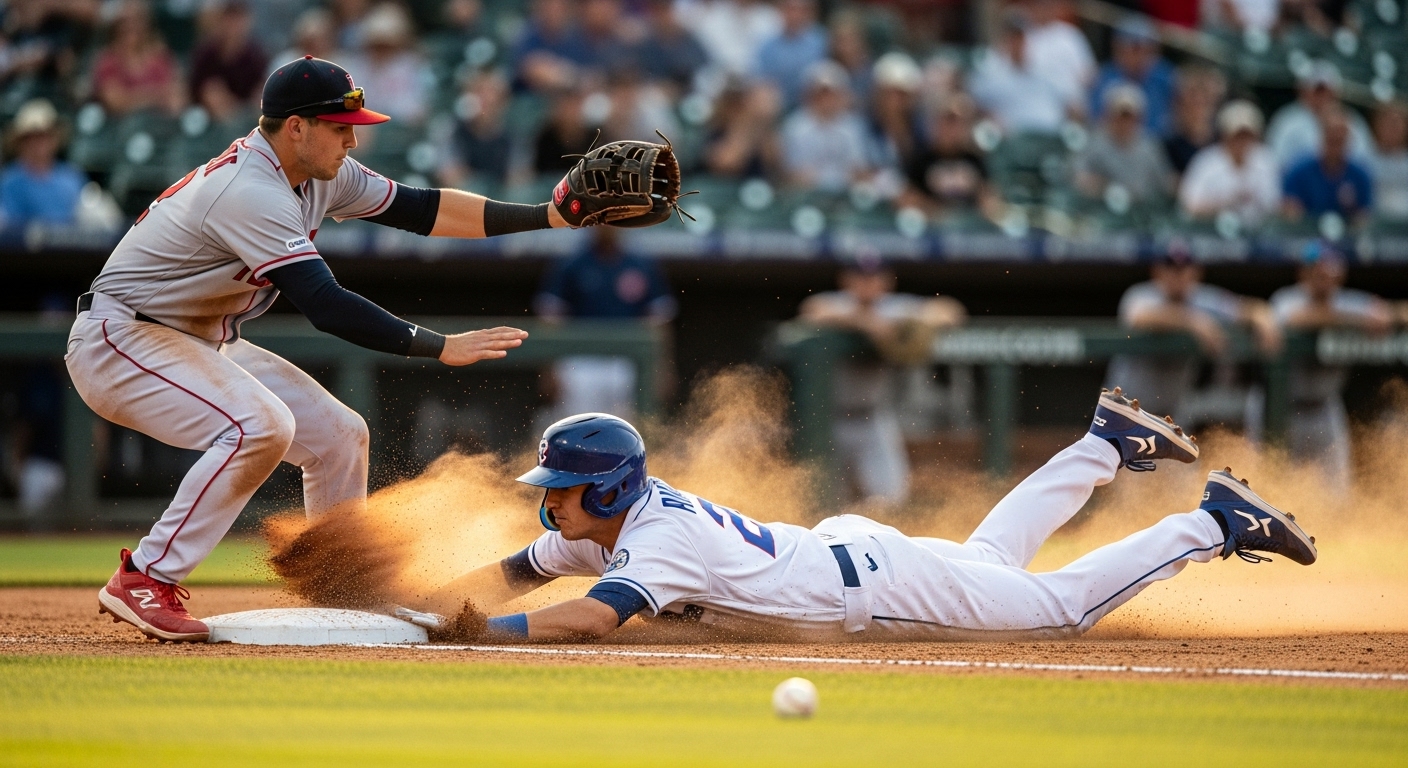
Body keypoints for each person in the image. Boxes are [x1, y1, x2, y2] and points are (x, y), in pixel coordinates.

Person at [74, 55, 672, 643]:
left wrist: (547, 216)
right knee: (260, 426)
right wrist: (437, 345)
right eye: (340, 129)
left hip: (198, 340)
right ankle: (147, 576)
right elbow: (324, 302)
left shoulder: (311, 172)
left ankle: (342, 594)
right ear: (297, 127)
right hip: (124, 338)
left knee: (340, 435)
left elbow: (423, 209)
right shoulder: (249, 189)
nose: (351, 143)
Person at [415, 401, 1317, 642]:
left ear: (607, 492)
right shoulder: (596, 527)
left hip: (876, 585)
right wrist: (422, 603)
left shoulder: (657, 538)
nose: (549, 501)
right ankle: (1104, 445)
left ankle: (1211, 524)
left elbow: (588, 617)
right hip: (848, 552)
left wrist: (481, 636)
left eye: (563, 489)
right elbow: (518, 571)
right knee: (989, 559)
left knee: (1056, 607)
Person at [798, 259, 964, 505]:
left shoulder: (894, 308)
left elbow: (950, 311)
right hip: (827, 421)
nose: (868, 284)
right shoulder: (835, 303)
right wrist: (866, 323)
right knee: (825, 503)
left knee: (890, 500)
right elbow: (813, 310)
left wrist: (917, 323)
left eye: (874, 277)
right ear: (846, 281)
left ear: (887, 281)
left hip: (872, 418)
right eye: (860, 277)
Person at [1270, 242, 1395, 488]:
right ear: (1303, 273)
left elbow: (1386, 315)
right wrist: (1355, 320)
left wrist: (1381, 315)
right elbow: (1296, 319)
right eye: (1316, 271)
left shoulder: (1348, 301)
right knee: (1274, 493)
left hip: (1325, 410)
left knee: (1337, 497)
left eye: (1329, 272)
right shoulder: (1287, 298)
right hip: (1281, 409)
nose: (1323, 278)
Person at [1105, 249, 1281, 419]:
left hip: (1169, 414)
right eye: (1171, 269)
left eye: (1183, 269)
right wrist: (1193, 320)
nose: (1177, 276)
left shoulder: (1202, 299)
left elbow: (1249, 308)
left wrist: (1263, 317)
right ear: (1157, 272)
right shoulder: (1141, 295)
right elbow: (1140, 318)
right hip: (1125, 411)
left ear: (1196, 273)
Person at [534, 227, 676, 419]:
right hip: (581, 364)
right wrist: (549, 369)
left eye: (613, 221)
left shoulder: (641, 265)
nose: (607, 227)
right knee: (579, 428)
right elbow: (551, 320)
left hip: (628, 363)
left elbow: (659, 323)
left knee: (629, 431)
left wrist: (662, 368)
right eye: (601, 221)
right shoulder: (572, 263)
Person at [1179, 100, 1280, 227]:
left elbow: (1274, 205)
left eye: (1247, 136)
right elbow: (1189, 206)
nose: (1242, 142)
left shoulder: (1266, 160)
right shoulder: (1206, 162)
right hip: (1209, 233)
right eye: (1237, 136)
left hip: (1256, 235)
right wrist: (1227, 202)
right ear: (1225, 135)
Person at [968, 12, 1071, 135]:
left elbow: (1068, 102)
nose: (1017, 43)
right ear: (1004, 40)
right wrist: (990, 118)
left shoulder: (1045, 70)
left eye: (1020, 37)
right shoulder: (992, 72)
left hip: (1051, 136)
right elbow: (973, 104)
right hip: (1015, 139)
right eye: (1012, 38)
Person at [1073, 83, 1176, 205]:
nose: (1125, 122)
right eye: (1121, 116)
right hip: (1101, 207)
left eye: (1130, 117)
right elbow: (1078, 175)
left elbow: (1165, 182)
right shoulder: (1094, 142)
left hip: (1141, 211)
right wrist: (1102, 185)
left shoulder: (1149, 147)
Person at [779, 61, 872, 193]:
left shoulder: (853, 126)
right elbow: (796, 175)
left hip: (846, 193)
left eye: (832, 94)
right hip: (807, 194)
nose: (827, 100)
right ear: (809, 95)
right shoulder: (795, 127)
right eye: (821, 94)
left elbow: (859, 171)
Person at [1264, 61, 1372, 170]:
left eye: (1326, 90)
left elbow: (1363, 161)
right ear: (1303, 91)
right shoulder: (1287, 121)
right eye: (1317, 90)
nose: (1322, 96)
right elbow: (1274, 161)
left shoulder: (1352, 121)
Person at [0, 98, 87, 229]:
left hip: (69, 248)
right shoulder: (8, 181)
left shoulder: (71, 177)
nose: (38, 144)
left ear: (54, 139)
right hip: (19, 249)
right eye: (31, 138)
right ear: (20, 143)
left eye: (43, 136)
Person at [1281, 108, 1374, 228]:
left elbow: (1364, 216)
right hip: (1307, 237)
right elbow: (1290, 210)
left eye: (1340, 141)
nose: (1335, 147)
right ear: (1322, 137)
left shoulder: (1360, 176)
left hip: (1346, 241)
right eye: (1331, 140)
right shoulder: (1299, 171)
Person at [90, 0, 184, 117]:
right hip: (117, 129)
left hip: (159, 126)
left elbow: (177, 102)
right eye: (125, 21)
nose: (131, 26)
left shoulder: (161, 57)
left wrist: (131, 97)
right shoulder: (108, 60)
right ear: (116, 25)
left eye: (137, 20)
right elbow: (115, 103)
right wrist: (157, 96)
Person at [1089, 17, 1176, 137]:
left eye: (1146, 49)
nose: (1139, 56)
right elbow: (1095, 118)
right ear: (1118, 49)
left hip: (1155, 145)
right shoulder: (1106, 77)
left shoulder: (1165, 77)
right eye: (1134, 49)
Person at [188, 1, 268, 123]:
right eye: (229, 19)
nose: (233, 26)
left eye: (238, 20)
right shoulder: (207, 52)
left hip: (246, 112)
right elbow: (197, 88)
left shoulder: (255, 55)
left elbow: (260, 88)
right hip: (207, 116)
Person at [754, 0, 828, 112]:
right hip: (777, 105)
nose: (795, 15)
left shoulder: (820, 41)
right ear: (781, 12)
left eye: (800, 10)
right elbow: (761, 79)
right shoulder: (767, 44)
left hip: (811, 103)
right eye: (790, 9)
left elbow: (824, 75)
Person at [1163, 64, 1225, 174]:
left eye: (1205, 100)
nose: (1199, 106)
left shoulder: (1220, 144)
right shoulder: (1169, 143)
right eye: (1193, 101)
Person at [1367, 100, 1408, 222]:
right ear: (1376, 125)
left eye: (1397, 124)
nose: (1392, 129)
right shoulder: (1365, 161)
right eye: (1388, 123)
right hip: (1374, 228)